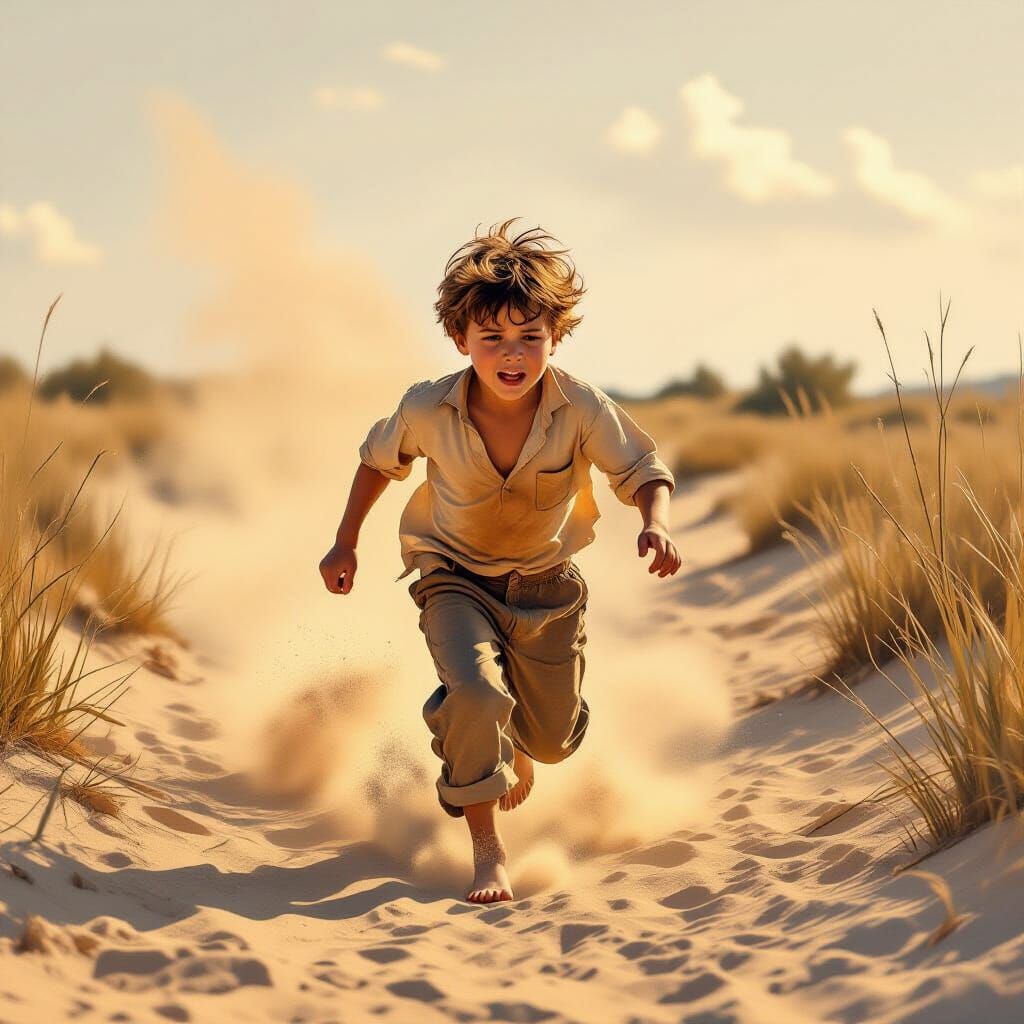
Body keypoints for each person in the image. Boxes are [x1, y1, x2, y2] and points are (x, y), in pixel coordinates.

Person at [319, 218, 680, 904]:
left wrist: (655, 525)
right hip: (453, 578)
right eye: (492, 339)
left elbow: (642, 467)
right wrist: (345, 542)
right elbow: (377, 465)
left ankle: (477, 722)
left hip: (546, 590)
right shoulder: (427, 407)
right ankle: (488, 849)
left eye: (529, 339)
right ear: (461, 339)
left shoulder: (581, 407)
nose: (511, 354)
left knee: (549, 743)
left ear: (555, 338)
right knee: (480, 695)